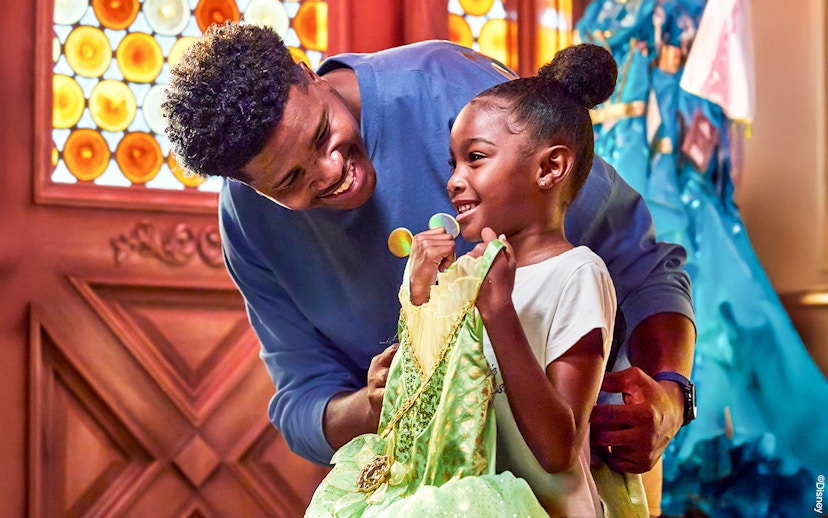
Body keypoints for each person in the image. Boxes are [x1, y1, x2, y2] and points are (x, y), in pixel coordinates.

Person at [162, 23, 696, 478]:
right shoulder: (248, 224)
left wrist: (671, 393)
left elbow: (642, 265)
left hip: (589, 461)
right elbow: (302, 400)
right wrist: (374, 406)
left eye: (324, 133)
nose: (333, 173)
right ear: (245, 185)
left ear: (308, 72)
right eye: (292, 180)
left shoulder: (447, 90)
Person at [305, 43, 644, 517]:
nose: (454, 180)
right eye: (453, 163)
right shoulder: (470, 275)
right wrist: (421, 299)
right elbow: (434, 400)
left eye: (476, 158)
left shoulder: (578, 274)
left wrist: (499, 312)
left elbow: (558, 449)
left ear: (549, 168)